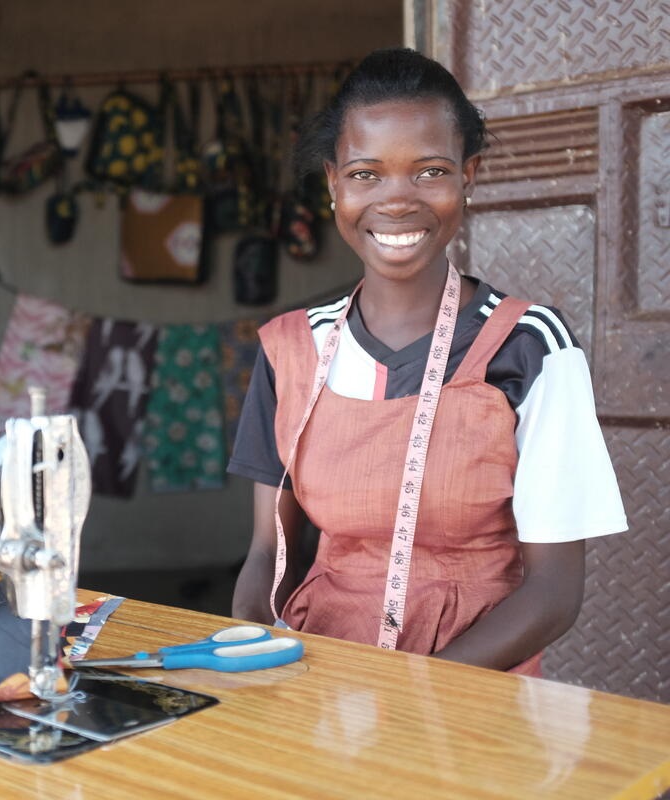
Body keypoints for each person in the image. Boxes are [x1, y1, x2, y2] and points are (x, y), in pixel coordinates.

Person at [227, 48, 627, 676]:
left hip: (473, 694)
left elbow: (554, 593)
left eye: (430, 171)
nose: (396, 200)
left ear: (468, 176)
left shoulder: (528, 345)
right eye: (365, 174)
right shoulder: (292, 349)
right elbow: (268, 556)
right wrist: (260, 660)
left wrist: (415, 699)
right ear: (333, 183)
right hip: (320, 687)